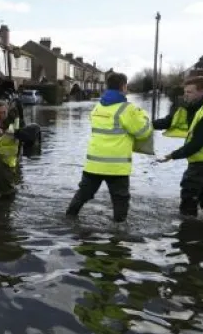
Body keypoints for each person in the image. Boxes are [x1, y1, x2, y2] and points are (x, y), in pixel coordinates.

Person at [65, 72, 153, 222]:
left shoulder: (98, 107)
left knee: (83, 194)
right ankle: (118, 234)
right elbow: (143, 133)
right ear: (124, 87)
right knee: (120, 200)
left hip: (94, 164)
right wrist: (144, 116)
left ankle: (69, 218)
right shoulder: (127, 109)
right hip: (117, 166)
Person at [156, 76, 203, 217]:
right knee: (201, 187)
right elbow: (169, 122)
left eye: (189, 92)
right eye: (185, 91)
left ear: (201, 91)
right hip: (202, 156)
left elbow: (196, 144)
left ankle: (188, 220)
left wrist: (172, 155)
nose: (185, 95)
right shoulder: (191, 106)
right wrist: (146, 126)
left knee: (189, 186)